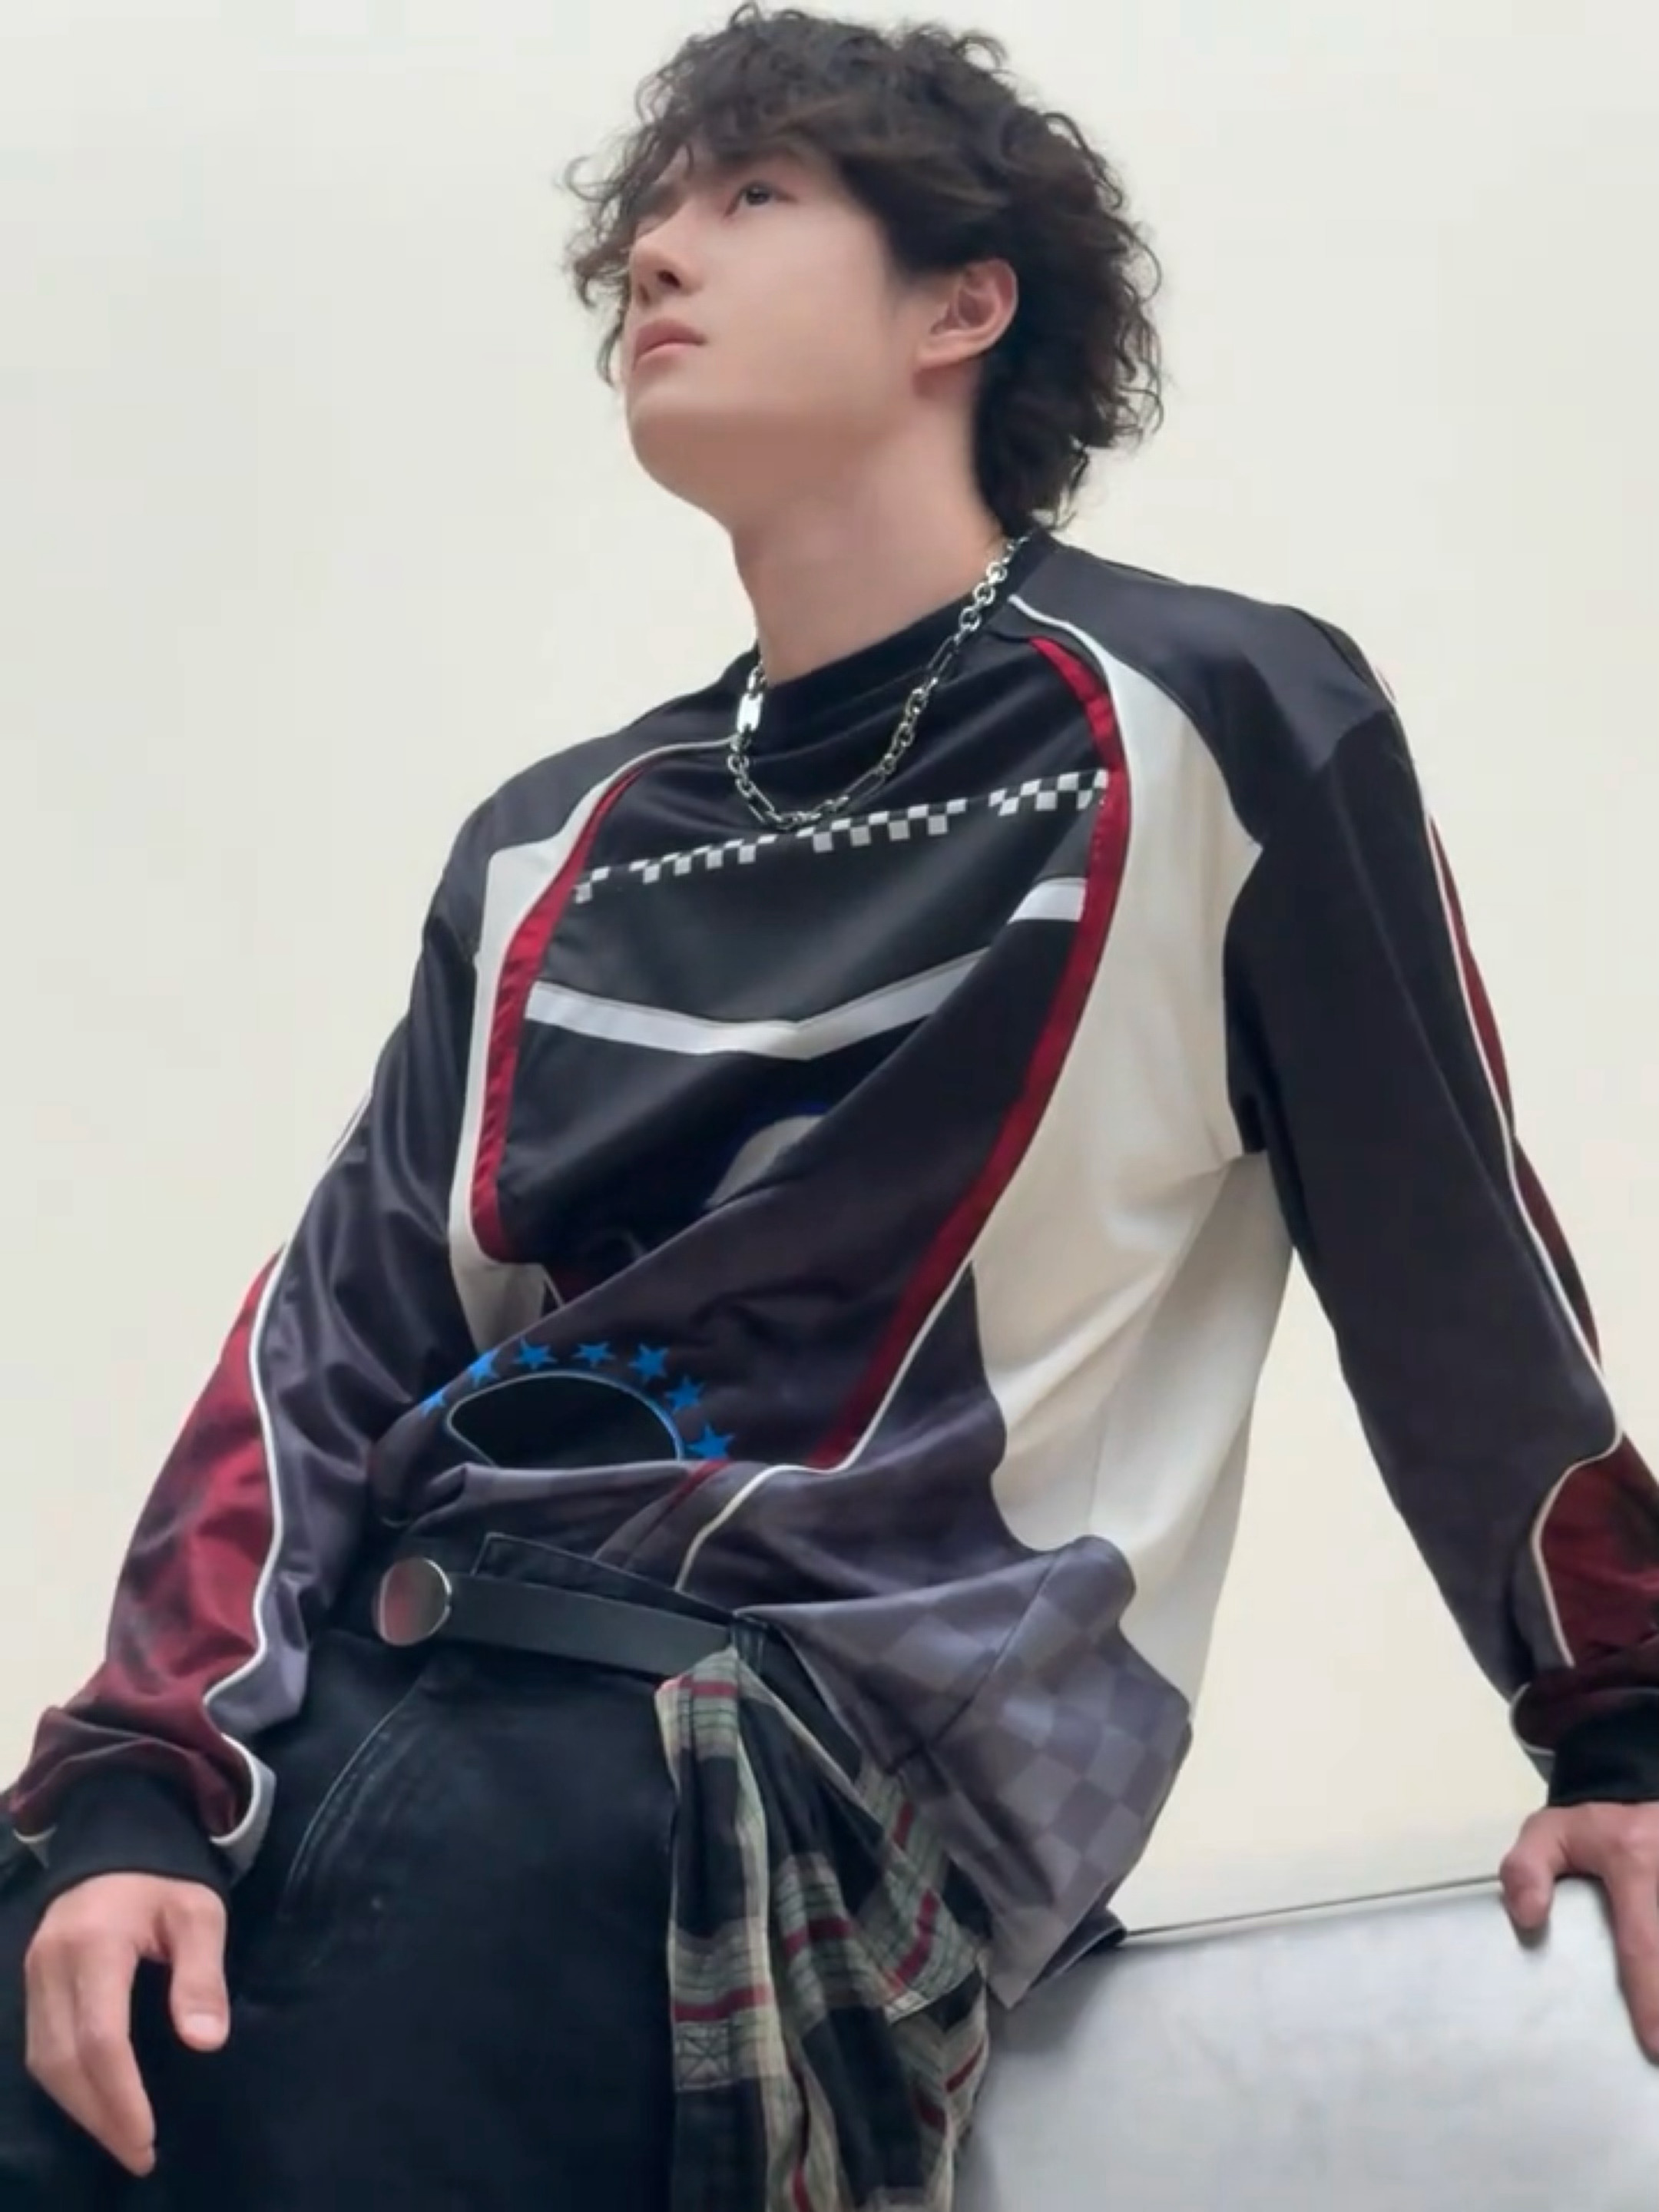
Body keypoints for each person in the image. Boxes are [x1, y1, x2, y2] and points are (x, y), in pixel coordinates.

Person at [4, 7, 1657, 2207]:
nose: (655, 255)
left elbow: (1452, 1263)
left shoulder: (1219, 716)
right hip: (364, 1729)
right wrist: (135, 1788)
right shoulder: (548, 841)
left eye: (752, 196)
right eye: (649, 218)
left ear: (962, 305)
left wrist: (1624, 1728)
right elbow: (323, 1355)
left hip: (752, 1780)